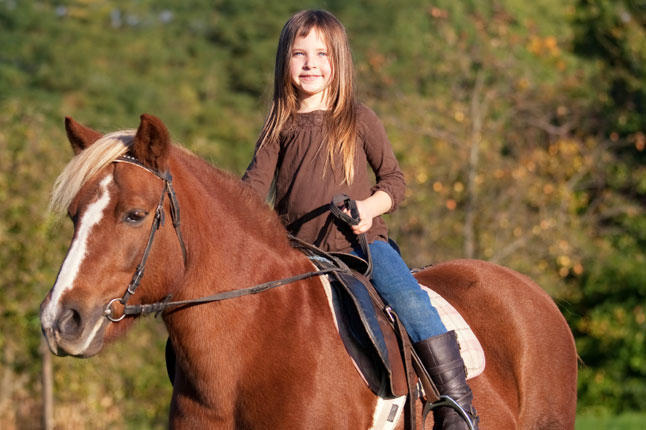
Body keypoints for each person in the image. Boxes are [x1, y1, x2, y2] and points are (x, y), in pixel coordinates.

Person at [242, 9, 478, 429]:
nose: (310, 63)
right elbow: (250, 191)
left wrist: (367, 210)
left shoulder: (359, 118)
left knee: (411, 302)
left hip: (362, 248)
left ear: (339, 62)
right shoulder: (277, 125)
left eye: (321, 54)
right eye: (299, 54)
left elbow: (394, 181)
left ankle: (457, 407)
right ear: (285, 61)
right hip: (298, 252)